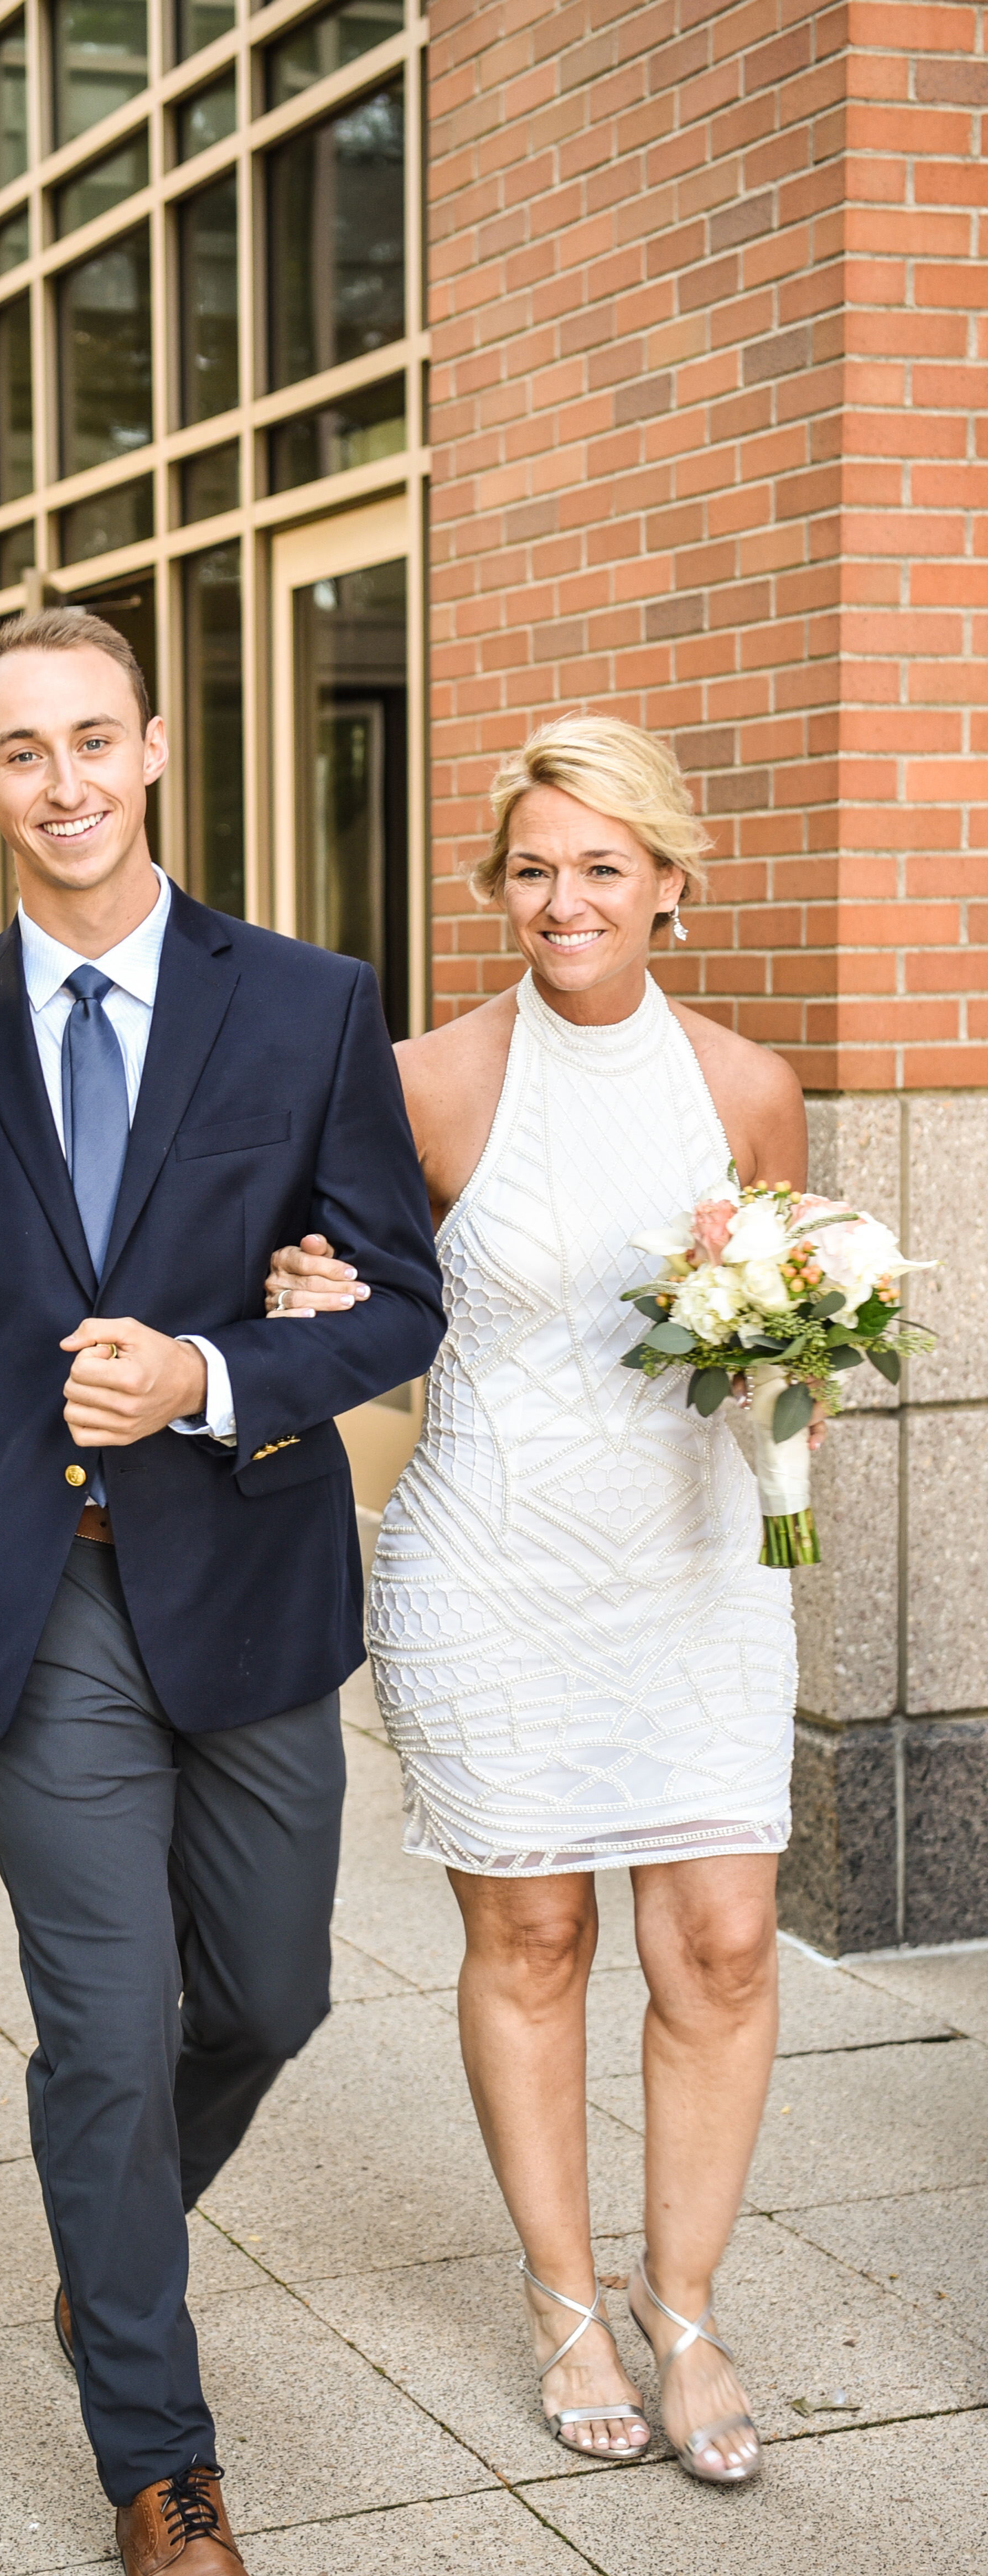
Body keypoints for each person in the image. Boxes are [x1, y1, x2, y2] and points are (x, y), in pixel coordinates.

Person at [0, 607, 443, 2576]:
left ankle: (107, 2254)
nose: (65, 781)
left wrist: (210, 1369)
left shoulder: (306, 1002)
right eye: (22, 751)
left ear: (158, 747)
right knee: (102, 2032)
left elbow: (396, 1299)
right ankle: (160, 2469)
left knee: (268, 1997)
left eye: (93, 738)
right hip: (36, 1596)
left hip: (247, 1579)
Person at [268, 714, 800, 2485]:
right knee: (533, 1939)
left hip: (696, 1566)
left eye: (599, 867)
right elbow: (349, 1306)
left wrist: (800, 1366)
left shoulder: (745, 1089)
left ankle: (684, 2304)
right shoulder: (421, 1082)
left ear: (667, 882)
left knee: (720, 1944)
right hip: (490, 1567)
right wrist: (301, 1288)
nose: (563, 900)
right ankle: (566, 2298)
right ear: (496, 886)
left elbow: (786, 1336)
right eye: (531, 869)